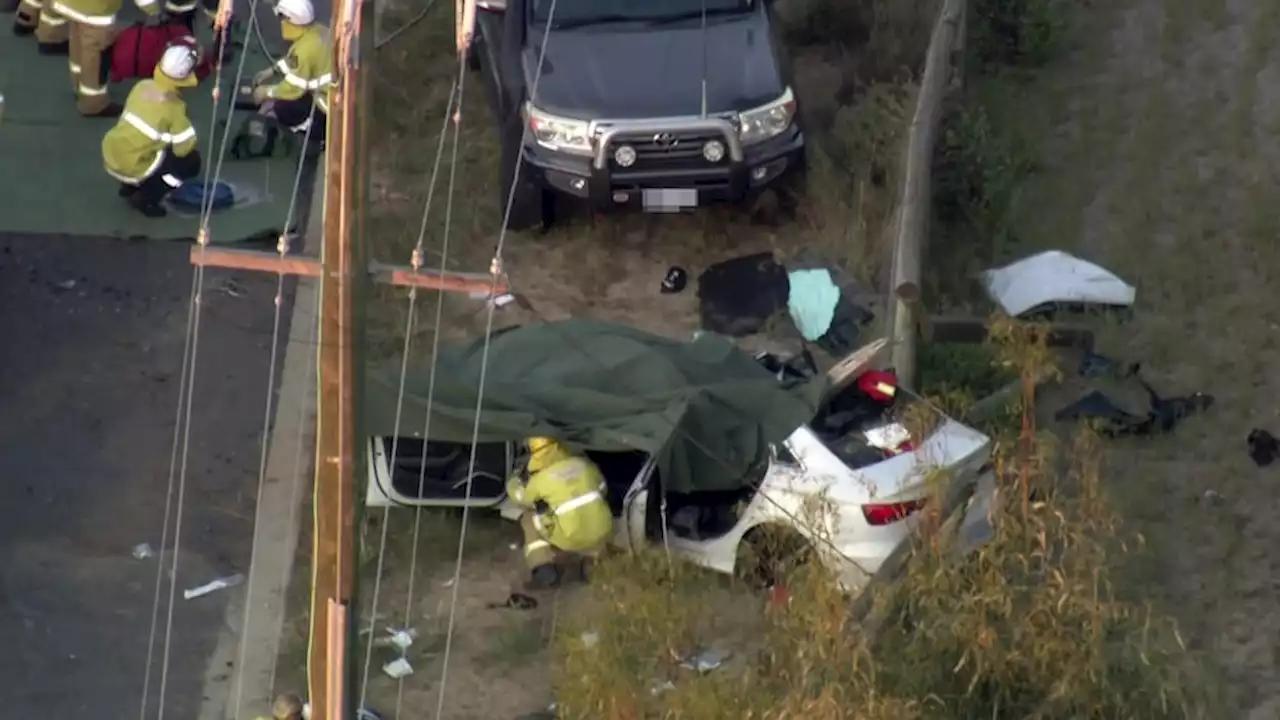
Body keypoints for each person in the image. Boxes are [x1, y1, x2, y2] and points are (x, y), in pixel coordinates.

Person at [102, 42, 202, 218]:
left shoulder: (142, 86)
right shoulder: (174, 108)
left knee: (144, 142)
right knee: (190, 163)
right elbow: (184, 148)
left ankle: (129, 186)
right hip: (135, 164)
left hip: (113, 153)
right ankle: (148, 196)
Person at [506, 437, 613, 589]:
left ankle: (542, 566)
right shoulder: (585, 466)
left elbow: (522, 498)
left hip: (570, 538)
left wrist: (513, 480)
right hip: (603, 531)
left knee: (529, 517)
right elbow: (602, 487)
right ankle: (592, 562)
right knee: (593, 514)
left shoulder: (540, 480)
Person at [58, 0, 160, 116]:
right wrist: (154, 10)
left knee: (78, 43)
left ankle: (79, 86)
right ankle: (93, 103)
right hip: (97, 12)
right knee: (95, 56)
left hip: (71, 4)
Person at [250, 0, 333, 139]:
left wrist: (266, 92)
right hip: (330, 88)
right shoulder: (318, 30)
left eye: (283, 18)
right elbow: (293, 59)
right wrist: (272, 71)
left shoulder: (305, 51)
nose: (281, 23)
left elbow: (293, 88)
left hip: (326, 104)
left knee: (283, 109)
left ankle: (310, 133)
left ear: (291, 20)